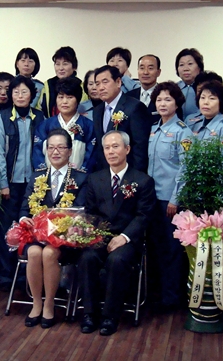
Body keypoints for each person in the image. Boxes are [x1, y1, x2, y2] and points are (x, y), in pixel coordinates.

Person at [78, 130, 156, 336]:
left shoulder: (142, 180)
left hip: (128, 238)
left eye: (115, 146)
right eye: (107, 148)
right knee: (87, 257)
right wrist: (93, 232)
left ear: (127, 149)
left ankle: (110, 316)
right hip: (101, 235)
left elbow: (143, 216)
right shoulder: (95, 179)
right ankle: (89, 314)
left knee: (117, 260)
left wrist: (124, 237)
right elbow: (90, 212)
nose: (111, 152)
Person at [19, 128, 88, 329]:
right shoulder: (37, 176)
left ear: (70, 151)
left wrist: (63, 226)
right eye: (51, 148)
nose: (55, 152)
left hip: (65, 237)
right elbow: (24, 208)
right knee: (33, 253)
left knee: (49, 254)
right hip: (38, 235)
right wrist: (24, 219)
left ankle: (49, 304)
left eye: (60, 147)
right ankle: (36, 304)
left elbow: (81, 211)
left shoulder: (81, 178)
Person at [0, 75, 45, 290]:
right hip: (10, 183)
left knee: (30, 230)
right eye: (16, 92)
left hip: (33, 184)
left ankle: (25, 277)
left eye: (24, 92)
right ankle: (6, 276)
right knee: (6, 229)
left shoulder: (40, 117)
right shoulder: (2, 118)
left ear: (32, 95)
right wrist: (2, 183)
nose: (20, 96)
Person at [146, 81, 193, 310]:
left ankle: (172, 298)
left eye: (168, 99)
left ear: (177, 103)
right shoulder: (154, 129)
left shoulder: (183, 132)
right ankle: (158, 294)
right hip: (152, 198)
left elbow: (186, 168)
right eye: (159, 99)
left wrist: (176, 198)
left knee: (171, 250)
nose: (162, 104)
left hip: (170, 200)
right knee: (156, 247)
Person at [92, 65, 151, 172]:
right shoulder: (97, 110)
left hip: (129, 172)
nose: (101, 88)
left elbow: (140, 147)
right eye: (97, 84)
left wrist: (135, 176)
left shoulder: (135, 107)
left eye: (105, 82)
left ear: (118, 82)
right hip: (105, 173)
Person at [33, 77, 96, 173]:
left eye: (70, 97)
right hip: (49, 177)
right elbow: (37, 152)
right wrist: (44, 175)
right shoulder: (46, 125)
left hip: (79, 178)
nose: (64, 102)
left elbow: (91, 155)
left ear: (78, 100)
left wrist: (81, 176)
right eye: (60, 97)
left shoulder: (88, 126)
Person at [189, 80, 223, 190]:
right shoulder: (197, 126)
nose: (205, 102)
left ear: (221, 102)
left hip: (215, 191)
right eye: (202, 98)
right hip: (196, 188)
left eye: (212, 98)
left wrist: (221, 193)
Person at [40, 46, 86, 118]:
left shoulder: (80, 86)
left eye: (65, 64)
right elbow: (40, 109)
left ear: (74, 66)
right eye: (57, 64)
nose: (61, 68)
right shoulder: (48, 85)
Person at [126, 54, 162, 125]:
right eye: (142, 68)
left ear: (158, 72)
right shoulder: (128, 96)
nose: (145, 72)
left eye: (150, 68)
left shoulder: (166, 96)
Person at [175, 48, 204, 119]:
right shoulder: (174, 88)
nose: (186, 69)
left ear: (199, 67)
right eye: (181, 65)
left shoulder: (206, 87)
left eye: (190, 64)